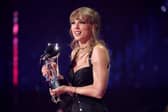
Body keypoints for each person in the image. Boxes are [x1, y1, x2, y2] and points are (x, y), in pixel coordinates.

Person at [41, 7, 110, 112]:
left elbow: (98, 91)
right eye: (73, 23)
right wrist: (55, 76)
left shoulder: (98, 51)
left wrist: (67, 88)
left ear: (93, 27)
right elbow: (76, 90)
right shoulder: (75, 52)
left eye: (82, 22)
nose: (76, 27)